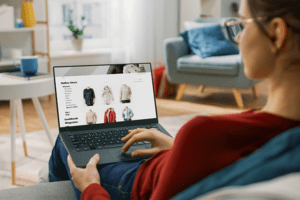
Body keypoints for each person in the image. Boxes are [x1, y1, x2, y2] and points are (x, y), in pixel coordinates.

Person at [48, 0, 300, 199]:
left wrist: (90, 188)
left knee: (66, 139)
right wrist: (177, 147)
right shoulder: (287, 137)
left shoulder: (205, 133)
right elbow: (241, 160)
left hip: (134, 184)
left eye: (242, 25)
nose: (237, 37)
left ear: (277, 33)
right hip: (171, 162)